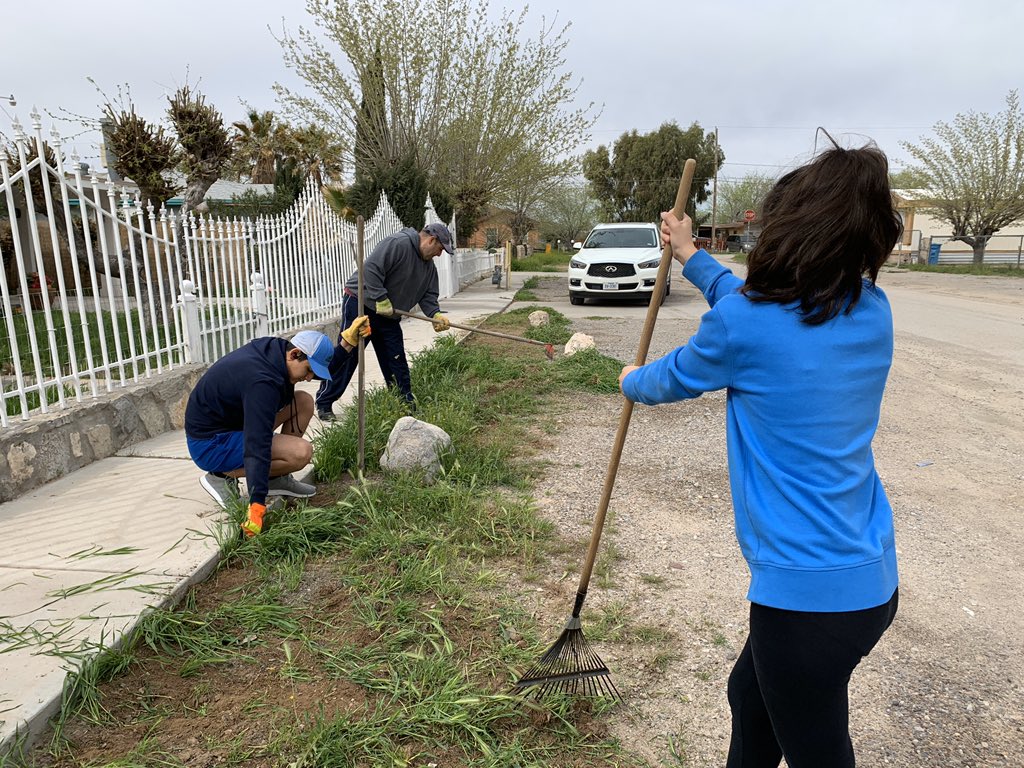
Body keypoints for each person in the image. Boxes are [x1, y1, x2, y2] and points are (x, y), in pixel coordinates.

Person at [619, 145, 902, 768]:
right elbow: (753, 306)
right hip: (870, 584)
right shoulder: (870, 311)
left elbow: (666, 380)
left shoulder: (746, 325)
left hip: (804, 603)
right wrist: (691, 254)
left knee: (816, 750)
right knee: (749, 697)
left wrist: (628, 378)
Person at [185, 318, 370, 537]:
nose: (309, 378)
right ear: (295, 354)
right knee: (301, 453)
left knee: (303, 401)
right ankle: (220, 475)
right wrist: (256, 505)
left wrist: (347, 343)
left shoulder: (278, 351)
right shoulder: (262, 383)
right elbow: (257, 443)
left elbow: (317, 367)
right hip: (211, 444)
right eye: (309, 371)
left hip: (232, 425)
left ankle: (276, 479)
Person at [315, 222, 454, 419]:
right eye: (440, 249)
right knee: (348, 353)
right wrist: (380, 297)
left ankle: (405, 405)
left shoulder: (428, 268)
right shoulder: (398, 244)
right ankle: (324, 402)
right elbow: (370, 269)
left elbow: (428, 295)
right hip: (361, 303)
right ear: (431, 240)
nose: (439, 255)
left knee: (395, 358)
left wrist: (435, 315)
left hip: (388, 315)